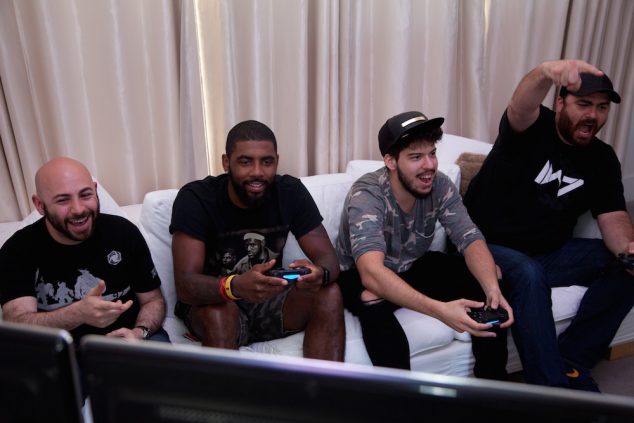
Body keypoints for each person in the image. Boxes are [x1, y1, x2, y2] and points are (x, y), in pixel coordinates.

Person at [464, 60, 634, 391]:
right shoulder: (530, 128)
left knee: (626, 269)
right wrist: (545, 73)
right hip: (486, 248)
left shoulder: (602, 159)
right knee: (528, 273)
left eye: (601, 108)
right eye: (583, 104)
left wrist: (628, 249)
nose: (593, 116)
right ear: (559, 103)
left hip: (551, 253)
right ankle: (551, 388)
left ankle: (571, 358)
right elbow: (520, 105)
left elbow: (613, 218)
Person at [336, 111, 513, 378]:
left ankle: (493, 387)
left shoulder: (439, 184)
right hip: (361, 274)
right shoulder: (367, 194)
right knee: (371, 296)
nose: (429, 165)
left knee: (491, 275)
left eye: (431, 153)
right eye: (416, 157)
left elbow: (470, 237)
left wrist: (492, 288)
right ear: (390, 161)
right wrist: (441, 311)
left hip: (412, 264)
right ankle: (402, 400)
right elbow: (371, 273)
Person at [170, 120, 344, 361]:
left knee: (330, 292)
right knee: (218, 312)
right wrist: (235, 286)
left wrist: (319, 274)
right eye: (245, 161)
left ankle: (324, 394)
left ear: (276, 161)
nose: (257, 172)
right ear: (225, 162)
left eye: (267, 162)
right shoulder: (197, 199)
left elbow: (329, 261)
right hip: (216, 301)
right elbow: (186, 286)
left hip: (270, 300)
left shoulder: (290, 192)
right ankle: (229, 399)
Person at [0, 157, 168, 343]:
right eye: (63, 200)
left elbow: (153, 300)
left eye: (85, 195)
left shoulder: (124, 232)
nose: (79, 209)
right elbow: (16, 323)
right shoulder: (17, 249)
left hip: (132, 340)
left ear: (95, 191)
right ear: (40, 205)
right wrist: (77, 314)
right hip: (62, 350)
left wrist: (139, 332)